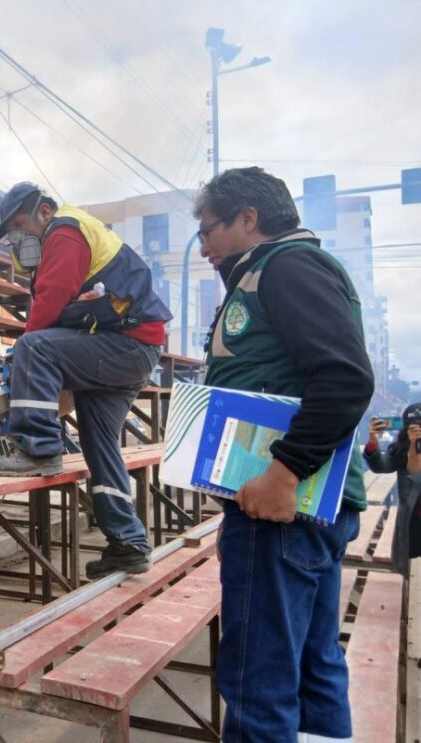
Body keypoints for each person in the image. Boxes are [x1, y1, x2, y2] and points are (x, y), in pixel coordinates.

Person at [196, 166, 374, 741]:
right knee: (311, 667)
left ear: (249, 219)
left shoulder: (288, 266)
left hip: (285, 505)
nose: (204, 247)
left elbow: (345, 379)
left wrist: (284, 471)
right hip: (293, 506)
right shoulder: (267, 273)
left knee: (259, 682)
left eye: (209, 230)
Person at [0, 182, 172, 578]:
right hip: (128, 346)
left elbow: (51, 301)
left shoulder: (65, 231)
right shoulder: (64, 234)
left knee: (35, 346)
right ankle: (128, 542)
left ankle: (38, 448)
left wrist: (22, 359)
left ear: (44, 212)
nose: (19, 239)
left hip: (126, 344)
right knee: (99, 443)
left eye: (21, 227)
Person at [364, 404, 421, 577]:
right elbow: (381, 466)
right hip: (413, 521)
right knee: (410, 573)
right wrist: (373, 441)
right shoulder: (403, 450)